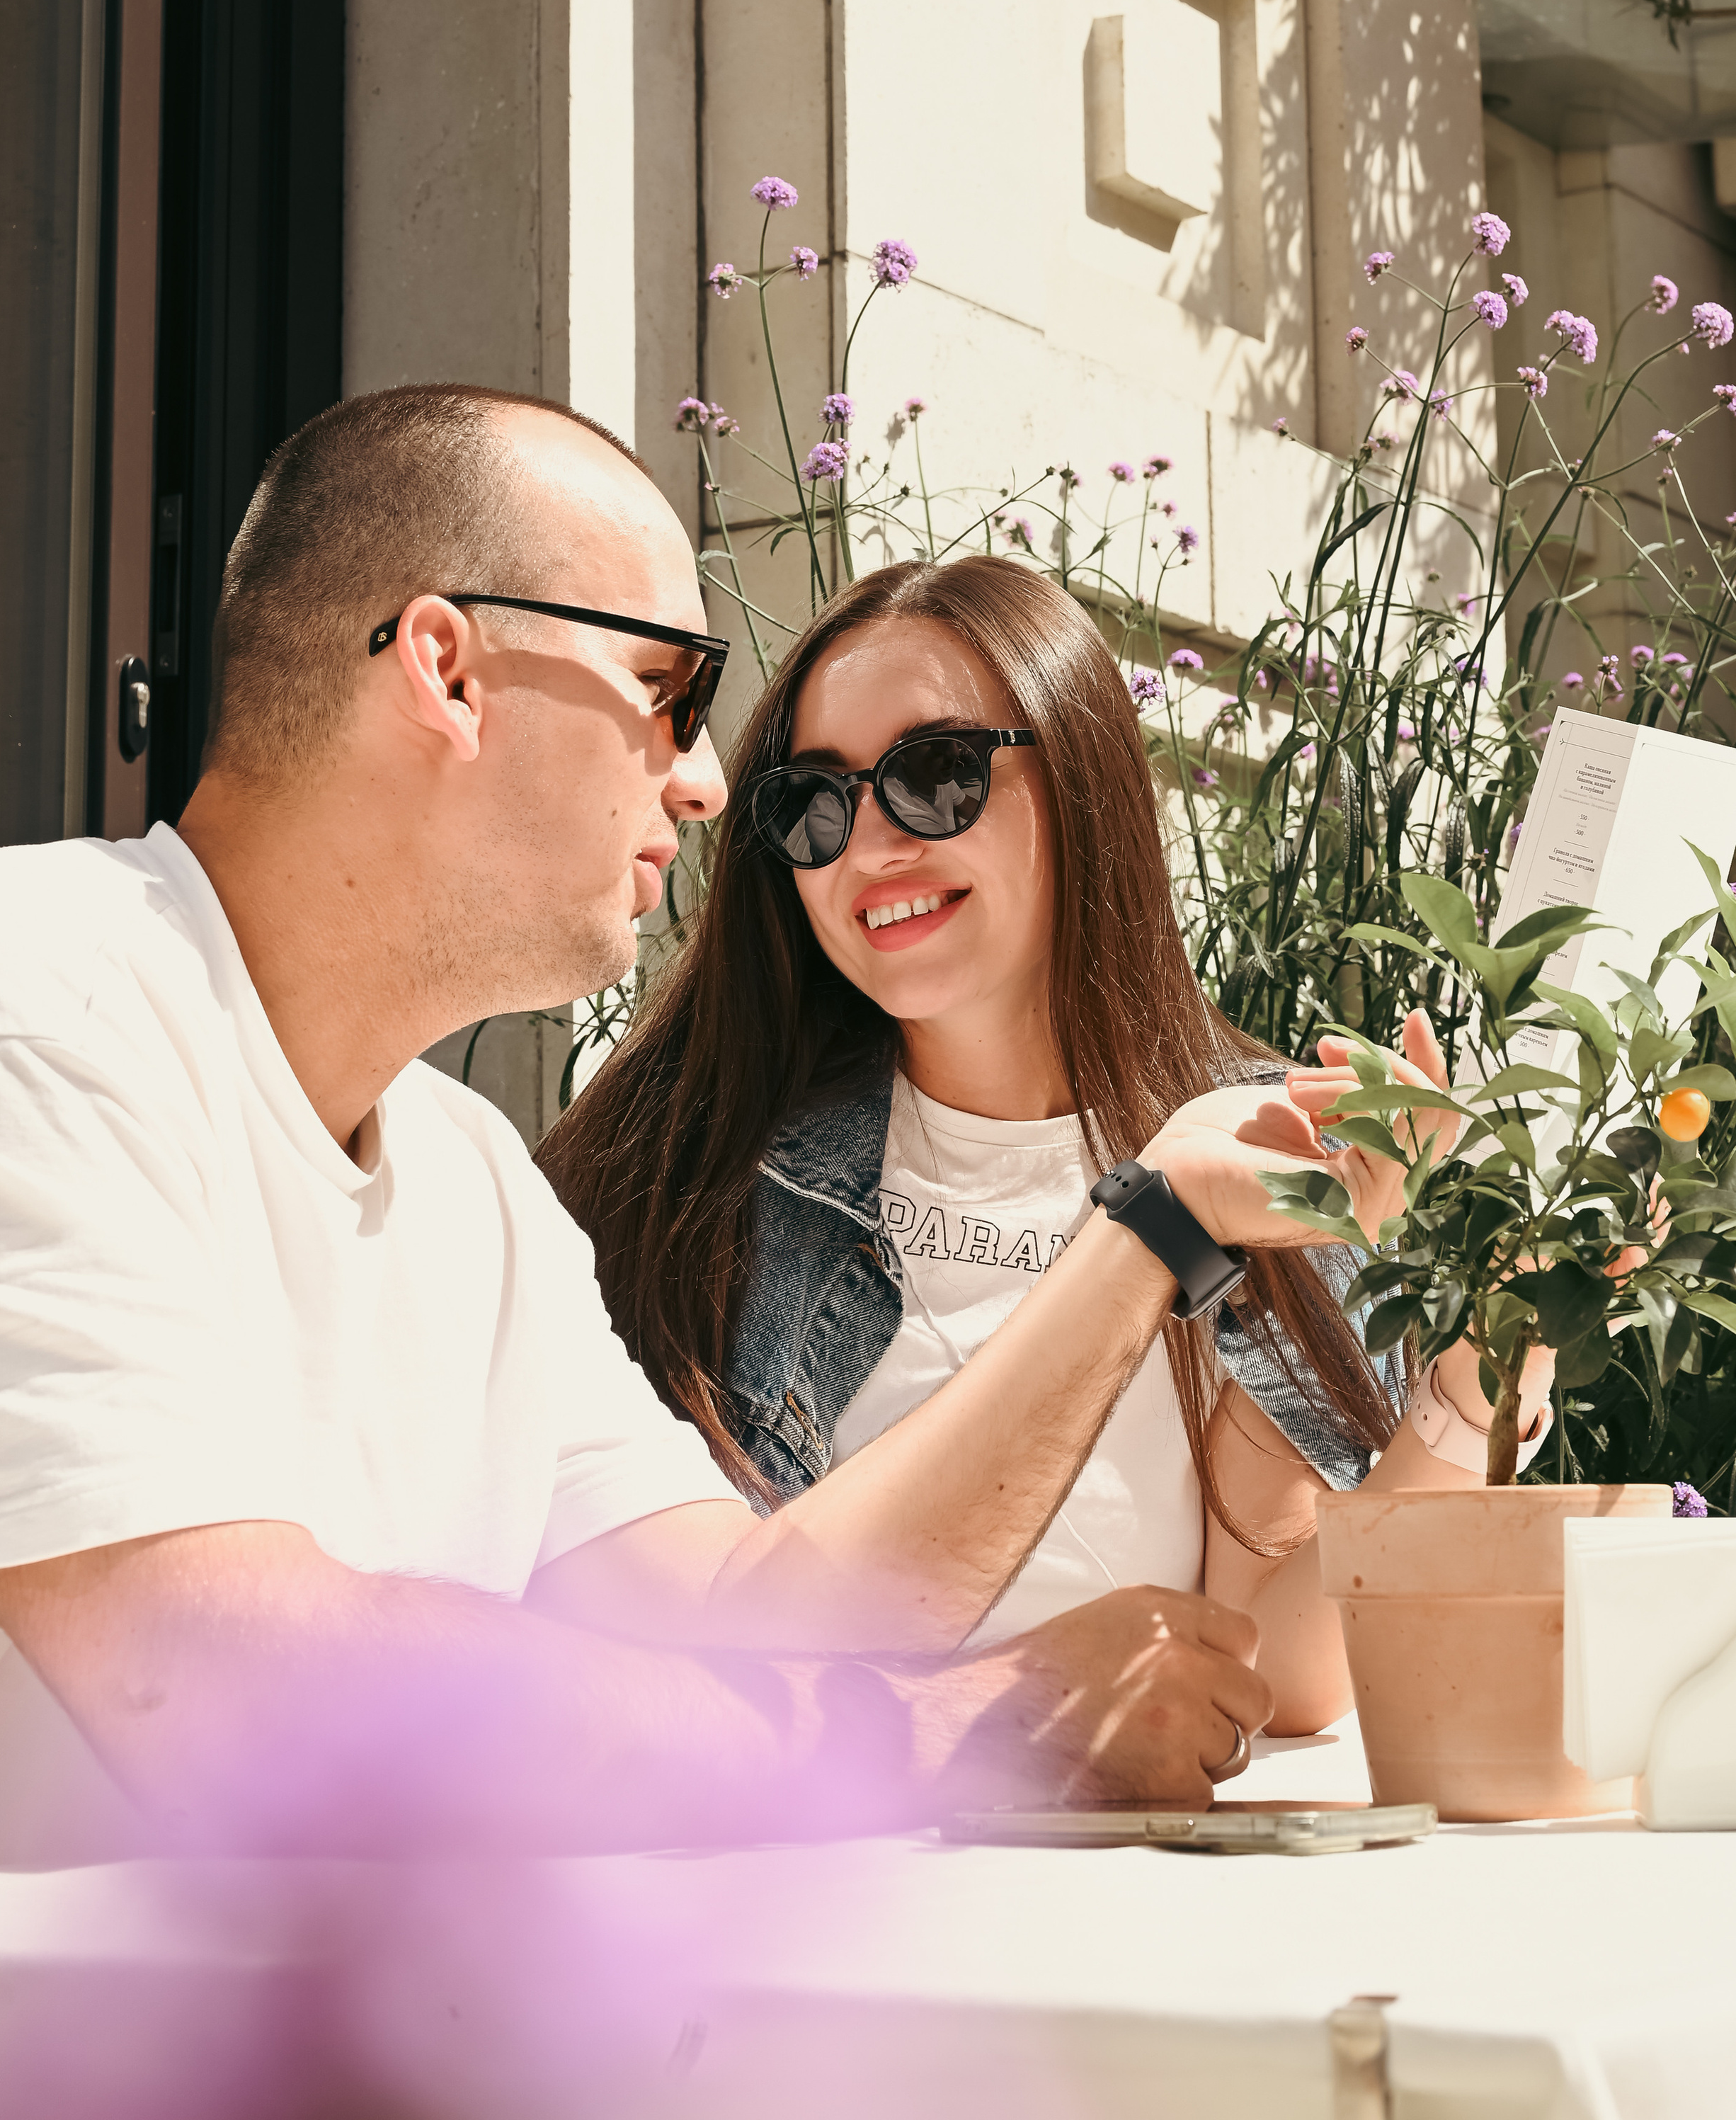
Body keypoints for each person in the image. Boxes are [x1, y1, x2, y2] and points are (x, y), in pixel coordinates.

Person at [0, 384, 1301, 1867]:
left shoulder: (472, 1189)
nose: (709, 784)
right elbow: (215, 1678)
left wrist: (1140, 1232)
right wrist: (940, 1730)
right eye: (665, 690)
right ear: (446, 668)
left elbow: (755, 1622)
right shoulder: (14, 1007)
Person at [540, 554, 1561, 1732]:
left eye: (934, 777)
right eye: (813, 805)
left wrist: (1490, 1365)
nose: (870, 847)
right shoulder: (694, 1178)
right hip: (830, 1876)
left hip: (1142, 1876)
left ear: (1077, 773)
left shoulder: (1266, 1138)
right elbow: (703, 1654)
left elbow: (1274, 1665)